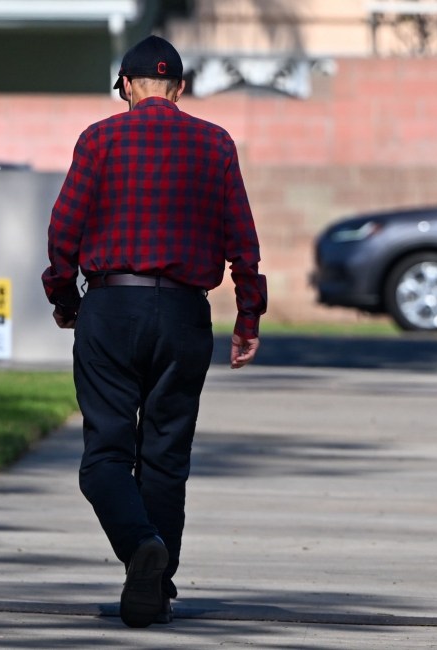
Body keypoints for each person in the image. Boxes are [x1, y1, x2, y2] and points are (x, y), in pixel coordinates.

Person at [41, 34, 267, 628]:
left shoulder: (99, 139)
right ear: (181, 88)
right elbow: (242, 239)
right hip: (185, 314)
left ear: (125, 86)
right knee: (166, 457)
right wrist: (248, 315)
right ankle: (152, 588)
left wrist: (65, 298)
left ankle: (142, 547)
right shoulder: (215, 143)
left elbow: (64, 230)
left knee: (105, 456)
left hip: (112, 308)